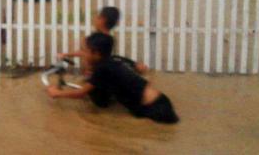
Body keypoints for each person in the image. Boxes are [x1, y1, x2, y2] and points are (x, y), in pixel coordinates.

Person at [47, 33, 179, 124]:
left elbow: (81, 93)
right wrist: (67, 54)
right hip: (160, 101)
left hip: (154, 109)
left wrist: (57, 93)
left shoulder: (102, 69)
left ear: (96, 53)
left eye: (85, 51)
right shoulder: (111, 61)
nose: (83, 54)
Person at [59, 7, 148, 75]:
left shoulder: (99, 40)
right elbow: (85, 52)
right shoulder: (106, 39)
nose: (95, 20)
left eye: (97, 17)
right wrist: (66, 54)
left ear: (102, 20)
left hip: (97, 74)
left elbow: (85, 53)